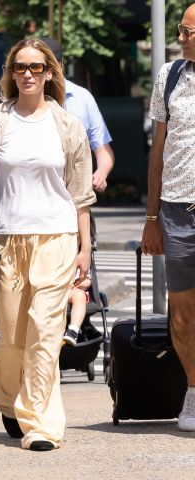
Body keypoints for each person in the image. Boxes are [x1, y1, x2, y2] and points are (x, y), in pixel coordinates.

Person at [0, 38, 96, 451]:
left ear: (50, 72)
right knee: (13, 334)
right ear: (11, 73)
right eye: (20, 67)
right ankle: (10, 396)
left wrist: (85, 249)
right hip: (7, 240)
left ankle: (41, 426)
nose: (28, 74)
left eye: (36, 67)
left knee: (45, 331)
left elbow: (80, 194)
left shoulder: (67, 125)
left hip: (58, 236)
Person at [141, 4, 195, 432]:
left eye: (192, 31)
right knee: (181, 313)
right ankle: (193, 395)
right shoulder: (170, 75)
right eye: (181, 30)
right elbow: (157, 151)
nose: (185, 37)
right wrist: (151, 216)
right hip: (177, 207)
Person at [40, 37, 114, 192]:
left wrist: (101, 173)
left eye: (48, 67)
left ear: (61, 65)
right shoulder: (21, 99)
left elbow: (102, 148)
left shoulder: (82, 97)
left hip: (75, 194)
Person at [63, 269, 91, 346]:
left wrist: (75, 283)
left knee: (79, 296)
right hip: (53, 290)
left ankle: (73, 331)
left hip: (73, 290)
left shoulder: (80, 263)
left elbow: (87, 282)